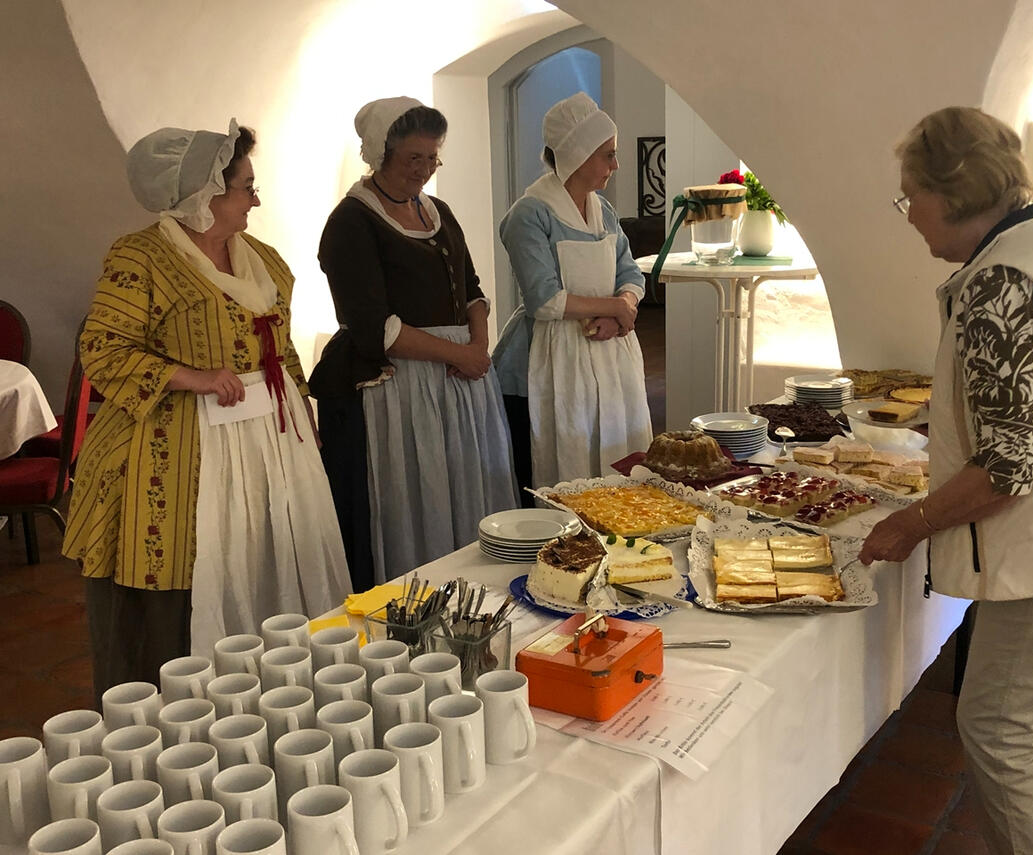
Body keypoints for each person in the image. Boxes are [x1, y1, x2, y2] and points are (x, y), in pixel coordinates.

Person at [859, 106, 1033, 855]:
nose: (909, 213)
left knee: (994, 725)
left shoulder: (1000, 284)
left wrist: (910, 522)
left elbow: (1009, 467)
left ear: (952, 194)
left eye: (910, 193)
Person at [63, 120, 351, 695]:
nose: (255, 197)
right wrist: (189, 376)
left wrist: (303, 412)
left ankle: (272, 700)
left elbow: (280, 344)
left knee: (266, 567)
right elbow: (102, 348)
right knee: (180, 584)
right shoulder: (140, 257)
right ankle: (170, 719)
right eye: (246, 185)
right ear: (204, 195)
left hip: (270, 446)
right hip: (173, 449)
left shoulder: (263, 260)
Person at [309, 97, 517, 588]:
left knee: (464, 492)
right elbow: (374, 327)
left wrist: (479, 346)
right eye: (413, 159)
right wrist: (461, 354)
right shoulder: (351, 223)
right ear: (380, 154)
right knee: (414, 499)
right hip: (398, 388)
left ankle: (477, 594)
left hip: (459, 381)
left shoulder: (437, 210)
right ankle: (417, 603)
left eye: (432, 158)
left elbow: (473, 290)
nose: (424, 171)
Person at [493, 92, 652, 495]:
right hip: (546, 358)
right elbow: (544, 299)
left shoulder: (604, 211)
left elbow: (631, 274)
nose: (615, 165)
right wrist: (615, 307)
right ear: (577, 154)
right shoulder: (529, 214)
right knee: (565, 473)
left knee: (618, 461)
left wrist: (623, 309)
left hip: (609, 354)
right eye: (607, 155)